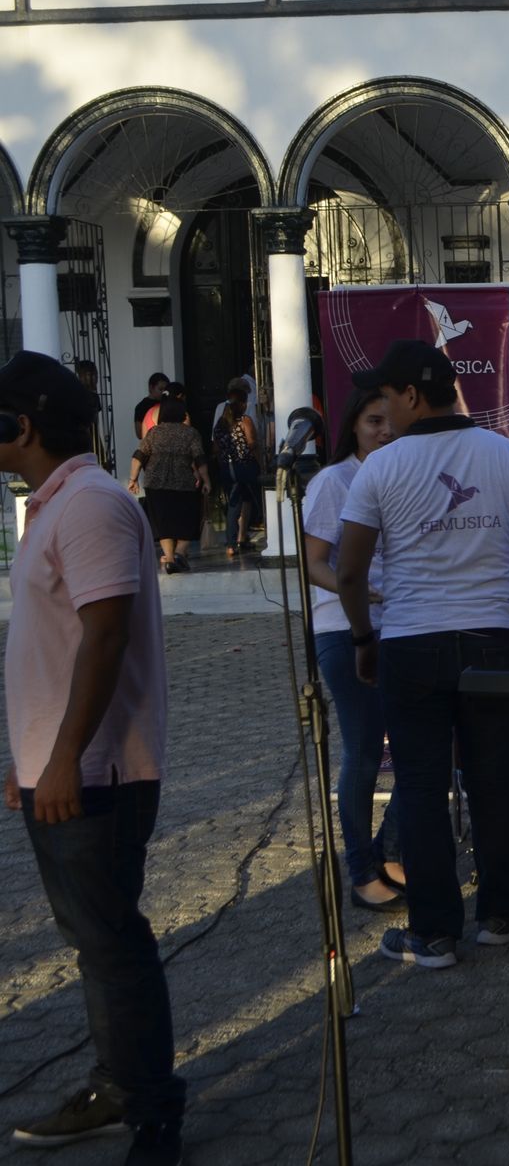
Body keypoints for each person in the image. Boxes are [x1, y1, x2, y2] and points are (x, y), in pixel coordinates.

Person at [0, 351, 186, 1164]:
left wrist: (68, 757)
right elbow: (57, 641)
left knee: (114, 945)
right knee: (98, 943)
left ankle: (149, 1110)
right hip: (63, 767)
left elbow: (105, 637)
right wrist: (33, 758)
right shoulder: (59, 505)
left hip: (99, 775)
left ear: (22, 426)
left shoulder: (91, 507)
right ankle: (118, 1084)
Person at [335, 339, 509, 969]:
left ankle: (434, 933)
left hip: (410, 642)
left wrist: (361, 638)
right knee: (493, 780)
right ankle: (502, 912)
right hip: (490, 640)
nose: (382, 410)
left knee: (423, 787)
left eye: (385, 397)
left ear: (410, 396)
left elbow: (349, 572)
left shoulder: (379, 467)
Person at [302, 387, 405, 911]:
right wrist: (356, 587)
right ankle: (362, 870)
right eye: (373, 421)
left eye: (391, 421)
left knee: (419, 746)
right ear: (353, 425)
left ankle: (390, 849)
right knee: (365, 750)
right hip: (344, 630)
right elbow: (314, 561)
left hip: (402, 625)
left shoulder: (400, 476)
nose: (385, 431)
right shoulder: (332, 481)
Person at [125, 399, 207, 574]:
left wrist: (133, 478)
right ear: (182, 414)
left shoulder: (154, 433)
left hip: (156, 485)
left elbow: (138, 456)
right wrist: (207, 480)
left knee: (163, 523)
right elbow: (199, 459)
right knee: (187, 521)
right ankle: (179, 554)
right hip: (183, 484)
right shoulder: (190, 433)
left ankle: (169, 558)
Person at [211, 377, 261, 558]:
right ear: (242, 404)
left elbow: (215, 448)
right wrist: (260, 461)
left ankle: (233, 543)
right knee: (253, 501)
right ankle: (240, 538)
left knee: (234, 505)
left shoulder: (220, 425)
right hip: (245, 467)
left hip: (227, 468)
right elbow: (252, 443)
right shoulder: (244, 421)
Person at [130, 372, 168, 443]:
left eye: (165, 390)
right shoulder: (141, 407)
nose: (163, 393)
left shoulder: (167, 403)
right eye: (160, 389)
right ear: (151, 387)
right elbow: (139, 434)